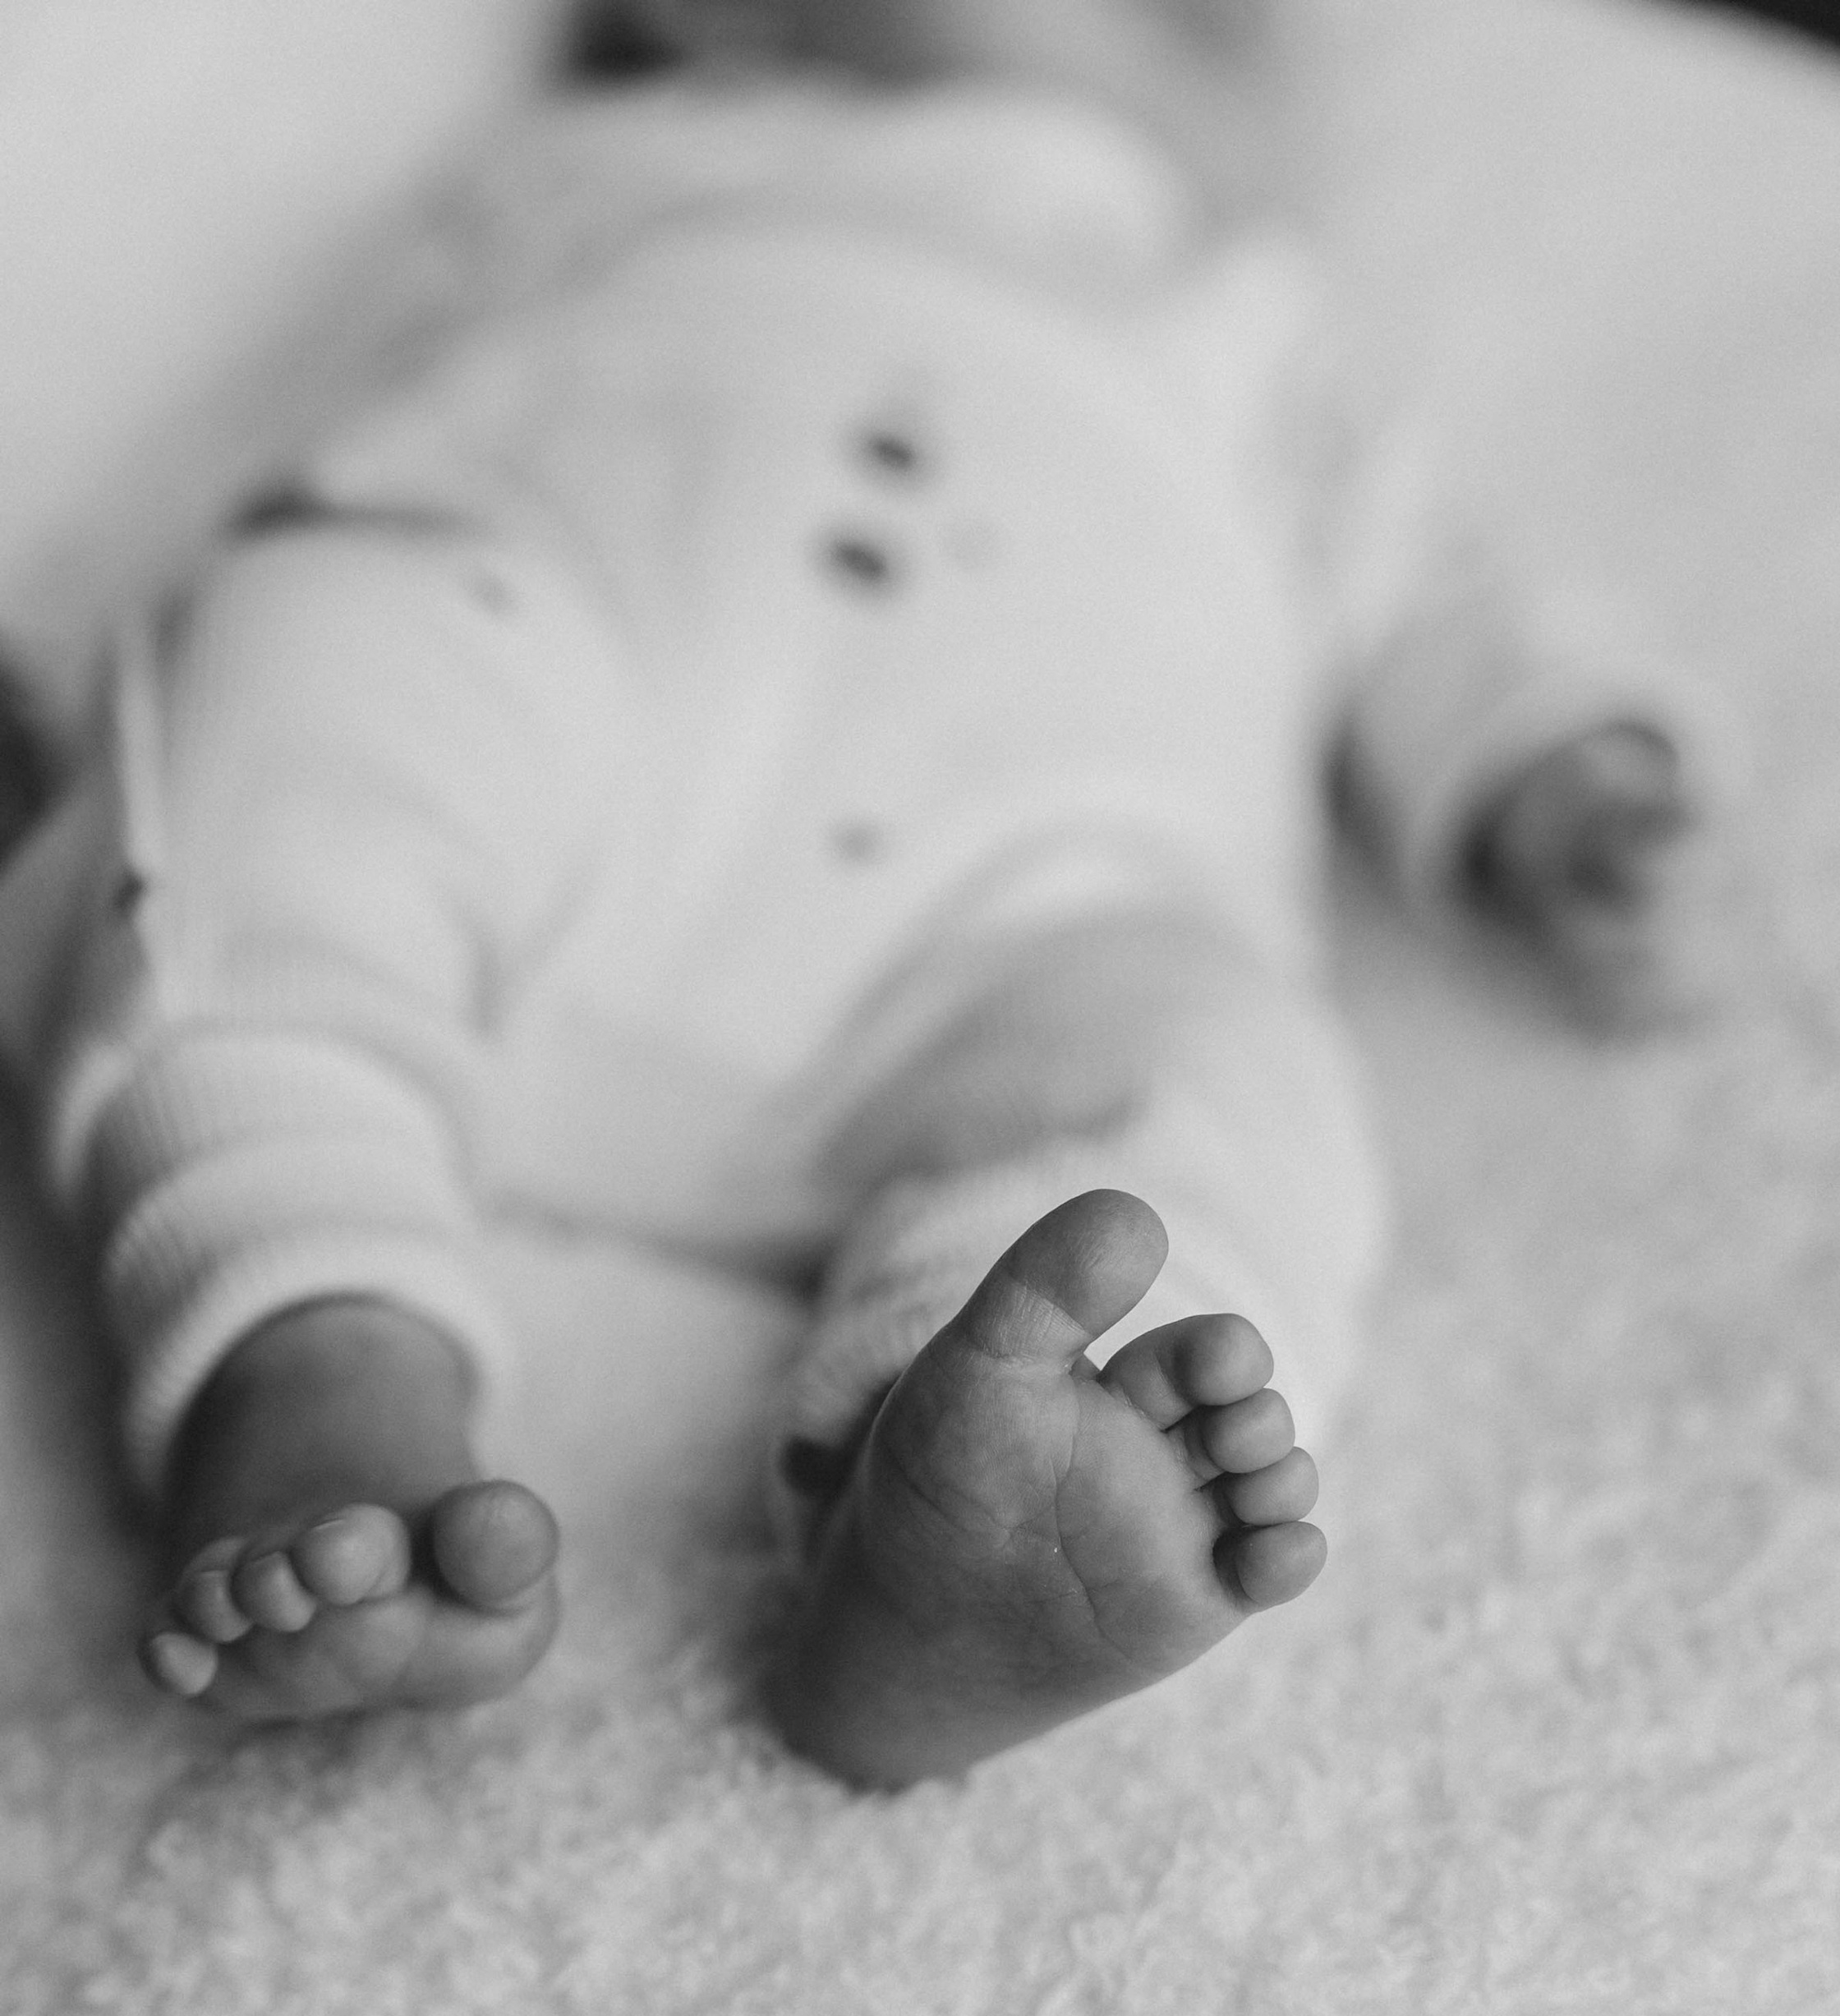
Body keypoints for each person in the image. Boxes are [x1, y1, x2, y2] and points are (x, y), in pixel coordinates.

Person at [0, 0, 1731, 1784]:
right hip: (559, 682)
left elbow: (1430, 592)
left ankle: (969, 1489)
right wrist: (60, 658)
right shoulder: (591, 172)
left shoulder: (1247, 310)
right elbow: (282, 425)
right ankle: (312, 1341)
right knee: (292, 670)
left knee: (1224, 1062)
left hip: (1023, 906)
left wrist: (1558, 770)